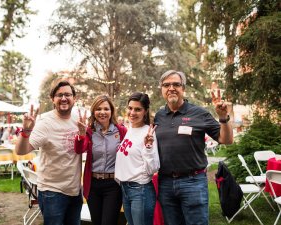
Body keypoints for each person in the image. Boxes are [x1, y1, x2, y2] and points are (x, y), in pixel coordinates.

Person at [154, 70, 233, 225]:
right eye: (166, 85)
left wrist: (223, 118)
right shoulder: (159, 116)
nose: (171, 88)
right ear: (162, 89)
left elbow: (226, 140)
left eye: (176, 84)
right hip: (166, 183)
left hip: (193, 182)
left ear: (183, 88)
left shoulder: (199, 113)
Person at [15, 79, 82, 225]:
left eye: (67, 94)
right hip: (52, 192)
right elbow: (21, 151)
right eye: (59, 95)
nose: (64, 98)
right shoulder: (45, 122)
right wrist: (26, 131)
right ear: (53, 99)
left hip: (75, 191)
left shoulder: (78, 120)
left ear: (74, 98)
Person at [74, 95, 127, 225]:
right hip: (93, 186)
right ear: (94, 112)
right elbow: (79, 150)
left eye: (106, 109)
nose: (102, 112)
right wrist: (80, 135)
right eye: (98, 109)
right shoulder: (89, 132)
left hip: (113, 185)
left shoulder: (121, 131)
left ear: (111, 111)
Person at [115, 92, 160, 225]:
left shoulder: (148, 132)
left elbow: (153, 168)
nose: (132, 112)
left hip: (140, 191)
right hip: (126, 189)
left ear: (145, 112)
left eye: (138, 109)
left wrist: (148, 147)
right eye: (130, 108)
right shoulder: (130, 130)